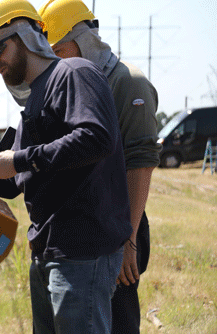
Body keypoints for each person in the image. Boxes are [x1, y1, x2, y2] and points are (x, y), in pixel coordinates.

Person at [0, 0, 132, 333]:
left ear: (27, 35)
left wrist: (17, 160)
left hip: (82, 253)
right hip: (47, 253)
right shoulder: (34, 99)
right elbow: (12, 181)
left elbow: (97, 138)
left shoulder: (75, 73)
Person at [38, 1, 162, 332]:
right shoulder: (73, 84)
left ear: (85, 39)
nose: (57, 62)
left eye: (61, 50)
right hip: (85, 227)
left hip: (121, 225)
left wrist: (129, 241)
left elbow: (141, 163)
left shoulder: (127, 82)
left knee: (118, 319)